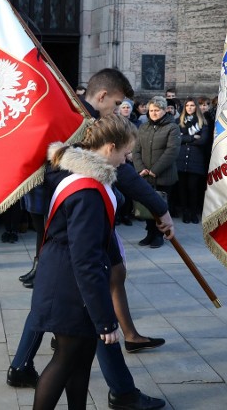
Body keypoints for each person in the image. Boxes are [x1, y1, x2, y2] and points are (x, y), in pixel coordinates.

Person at [30, 115, 169, 410]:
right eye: (125, 153)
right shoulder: (88, 191)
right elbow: (86, 259)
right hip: (69, 286)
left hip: (69, 281)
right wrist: (105, 319)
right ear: (109, 148)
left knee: (81, 361)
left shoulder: (85, 175)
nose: (127, 160)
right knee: (64, 361)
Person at [132, 96, 180, 248]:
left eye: (157, 110)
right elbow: (136, 150)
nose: (153, 113)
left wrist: (154, 170)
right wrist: (140, 169)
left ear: (165, 110)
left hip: (163, 176)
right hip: (145, 175)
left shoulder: (172, 127)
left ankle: (159, 235)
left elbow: (172, 151)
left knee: (160, 206)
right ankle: (150, 233)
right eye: (151, 110)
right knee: (147, 205)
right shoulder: (143, 127)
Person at [175, 98, 210, 224]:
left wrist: (184, 139)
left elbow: (203, 140)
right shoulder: (178, 122)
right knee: (182, 188)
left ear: (196, 107)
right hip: (181, 158)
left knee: (193, 188)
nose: (189, 107)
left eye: (192, 105)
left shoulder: (202, 123)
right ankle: (185, 212)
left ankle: (193, 212)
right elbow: (176, 139)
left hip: (196, 159)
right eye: (187, 105)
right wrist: (191, 137)